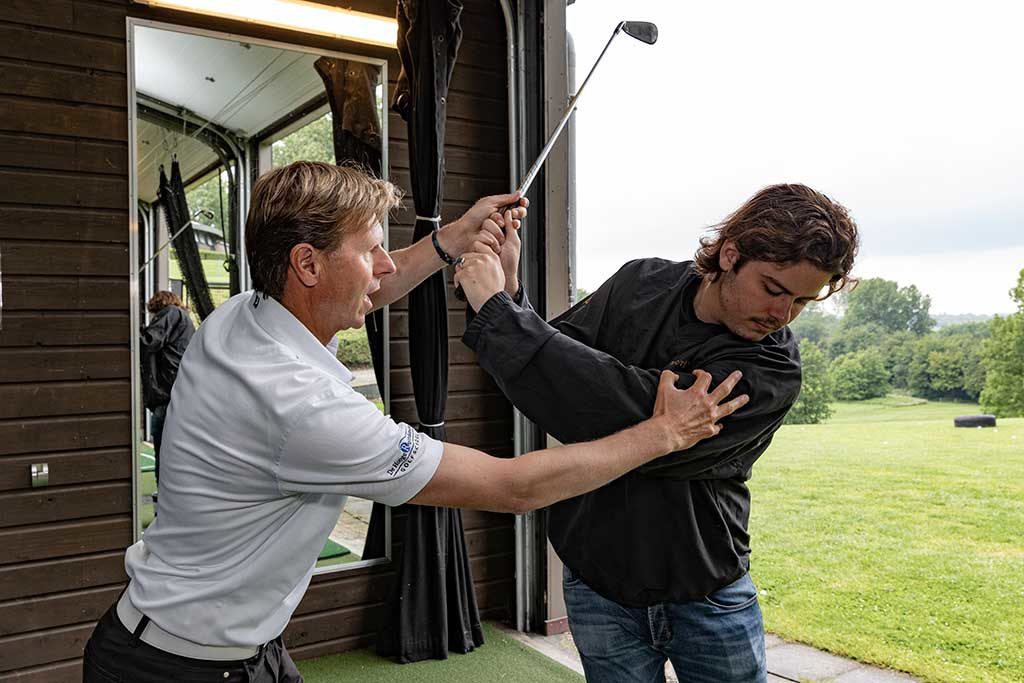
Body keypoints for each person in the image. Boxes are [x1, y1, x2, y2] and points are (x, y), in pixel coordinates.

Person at [83, 161, 750, 683]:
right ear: (307, 264)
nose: (383, 265)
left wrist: (450, 239)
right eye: (370, 248)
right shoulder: (306, 411)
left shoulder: (244, 313)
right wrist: (661, 433)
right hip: (181, 667)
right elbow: (511, 486)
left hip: (215, 646)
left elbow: (375, 283)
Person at [455, 183, 860, 683]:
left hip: (706, 592)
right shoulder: (641, 281)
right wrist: (511, 293)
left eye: (802, 300)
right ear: (730, 254)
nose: (782, 314)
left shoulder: (771, 369)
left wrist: (498, 310)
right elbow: (553, 370)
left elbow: (588, 402)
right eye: (774, 288)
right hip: (595, 578)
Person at [140, 290, 195, 488]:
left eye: (155, 315)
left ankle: (162, 503)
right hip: (180, 396)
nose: (154, 319)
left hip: (167, 396)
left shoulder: (171, 313)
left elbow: (147, 342)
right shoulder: (184, 320)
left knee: (162, 452)